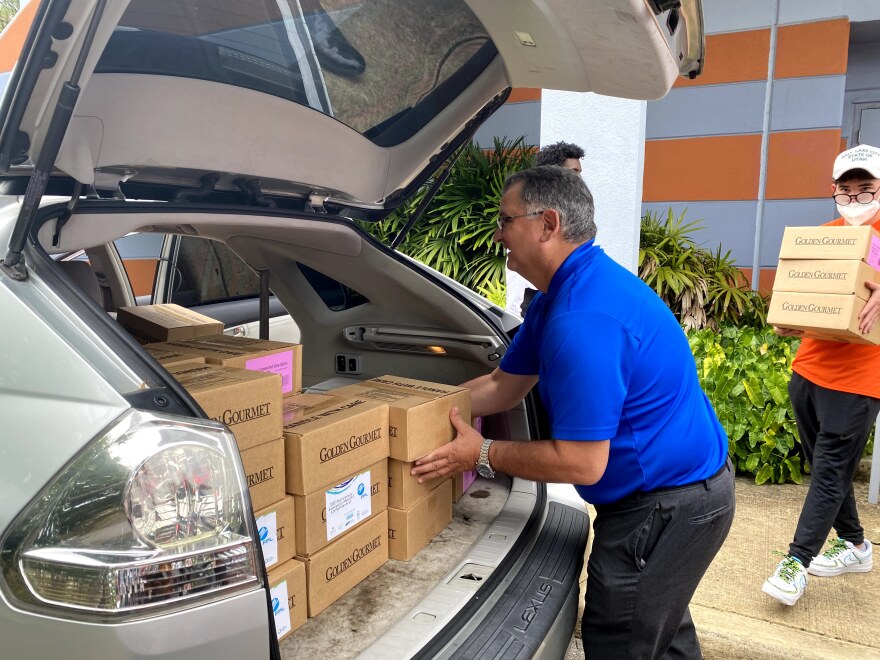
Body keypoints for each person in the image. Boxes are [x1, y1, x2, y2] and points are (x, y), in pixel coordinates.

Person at [412, 166, 734, 658]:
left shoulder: (582, 320)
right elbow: (502, 386)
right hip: (675, 494)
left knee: (621, 640)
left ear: (547, 224)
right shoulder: (559, 295)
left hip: (665, 507)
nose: (498, 234)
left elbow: (583, 463)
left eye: (506, 220)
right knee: (659, 636)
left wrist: (482, 454)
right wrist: (422, 410)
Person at [762, 144, 880, 607]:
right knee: (826, 470)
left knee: (831, 470)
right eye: (846, 191)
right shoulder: (826, 237)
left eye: (865, 190)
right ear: (834, 192)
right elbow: (799, 295)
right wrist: (787, 316)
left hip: (859, 379)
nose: (855, 200)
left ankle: (795, 563)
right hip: (809, 370)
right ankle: (854, 545)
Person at [514, 142, 586, 317]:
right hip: (534, 297)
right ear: (552, 174)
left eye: (580, 173)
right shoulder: (527, 209)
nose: (579, 180)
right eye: (573, 173)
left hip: (567, 295)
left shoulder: (576, 210)